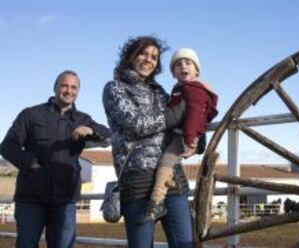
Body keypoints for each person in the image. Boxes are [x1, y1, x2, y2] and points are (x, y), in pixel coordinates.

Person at [0, 70, 111, 248]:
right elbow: (7, 146)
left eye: (74, 87)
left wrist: (91, 131)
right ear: (55, 87)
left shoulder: (82, 119)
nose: (69, 90)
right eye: (64, 85)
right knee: (26, 244)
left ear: (78, 91)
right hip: (31, 197)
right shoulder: (31, 114)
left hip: (65, 199)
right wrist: (30, 162)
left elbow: (108, 134)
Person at [102, 36, 195, 248]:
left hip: (172, 177)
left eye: (154, 57)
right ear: (130, 56)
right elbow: (136, 124)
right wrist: (175, 114)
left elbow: (178, 127)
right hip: (137, 181)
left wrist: (195, 136)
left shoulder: (160, 92)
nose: (148, 60)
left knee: (185, 244)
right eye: (143, 54)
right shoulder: (114, 88)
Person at [138, 48, 218, 224]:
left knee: (166, 161)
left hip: (185, 135)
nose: (183, 66)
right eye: (178, 65)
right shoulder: (181, 88)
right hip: (181, 133)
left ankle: (156, 201)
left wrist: (189, 139)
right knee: (167, 162)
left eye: (188, 63)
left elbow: (194, 115)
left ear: (197, 70)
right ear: (173, 73)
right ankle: (169, 183)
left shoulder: (193, 90)